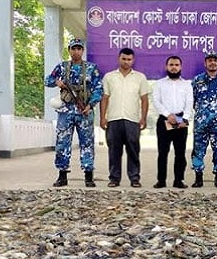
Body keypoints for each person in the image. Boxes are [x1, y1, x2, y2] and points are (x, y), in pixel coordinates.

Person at [45, 37, 103, 188]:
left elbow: (98, 89)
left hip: (84, 110)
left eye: (79, 49)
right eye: (73, 48)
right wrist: (56, 82)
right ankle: (62, 176)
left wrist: (90, 105)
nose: (76, 51)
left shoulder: (91, 68)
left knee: (87, 143)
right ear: (69, 50)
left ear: (82, 50)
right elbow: (47, 80)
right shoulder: (62, 67)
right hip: (66, 110)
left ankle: (88, 176)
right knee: (62, 142)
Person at [100, 48, 150, 188]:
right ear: (119, 58)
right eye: (124, 59)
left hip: (132, 120)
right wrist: (102, 117)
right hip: (113, 119)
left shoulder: (140, 77)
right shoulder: (109, 77)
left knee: (133, 150)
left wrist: (143, 118)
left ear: (133, 60)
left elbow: (144, 99)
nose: (126, 62)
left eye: (129, 59)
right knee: (114, 151)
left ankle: (134, 178)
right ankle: (114, 178)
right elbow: (105, 98)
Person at [190, 51, 217, 188]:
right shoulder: (197, 80)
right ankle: (198, 178)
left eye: (215, 60)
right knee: (198, 149)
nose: (212, 63)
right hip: (201, 122)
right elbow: (191, 99)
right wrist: (202, 112)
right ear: (205, 63)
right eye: (210, 60)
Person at [152, 56, 194, 189]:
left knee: (180, 153)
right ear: (166, 67)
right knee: (163, 153)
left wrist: (185, 118)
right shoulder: (159, 84)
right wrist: (167, 114)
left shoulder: (187, 84)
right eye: (171, 65)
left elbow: (190, 102)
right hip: (164, 120)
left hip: (181, 121)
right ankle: (161, 181)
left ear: (180, 67)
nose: (174, 67)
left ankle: (178, 180)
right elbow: (156, 101)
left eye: (176, 65)